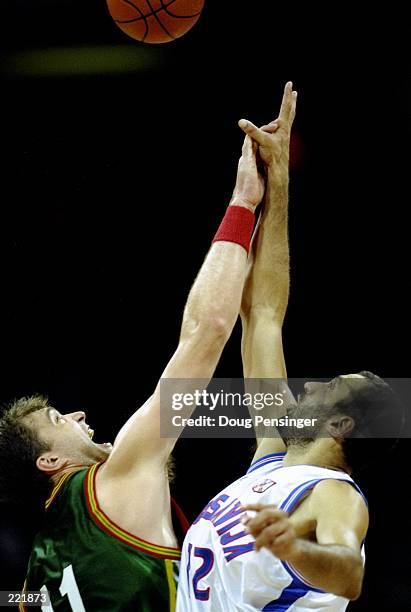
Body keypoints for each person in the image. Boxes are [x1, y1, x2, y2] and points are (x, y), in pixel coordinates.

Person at [0, 133, 267, 611]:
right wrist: (243, 201)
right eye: (60, 420)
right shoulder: (115, 479)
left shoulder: (33, 580)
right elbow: (208, 330)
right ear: (50, 463)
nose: (78, 414)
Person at [175, 83, 394, 611]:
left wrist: (293, 545)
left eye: (332, 387)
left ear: (342, 426)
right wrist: (279, 176)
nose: (313, 382)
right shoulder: (271, 457)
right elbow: (266, 313)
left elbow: (348, 574)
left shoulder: (332, 493)